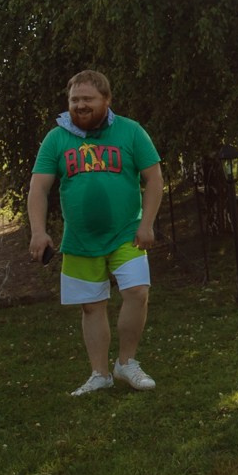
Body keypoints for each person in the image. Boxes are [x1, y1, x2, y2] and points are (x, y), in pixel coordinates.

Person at [25, 70, 163, 396]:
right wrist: (38, 232)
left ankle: (126, 363)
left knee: (138, 292)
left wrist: (147, 224)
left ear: (107, 100)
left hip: (127, 234)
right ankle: (100, 373)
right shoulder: (56, 138)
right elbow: (39, 188)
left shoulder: (130, 132)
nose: (80, 105)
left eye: (87, 99)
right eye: (74, 100)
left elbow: (154, 179)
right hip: (80, 240)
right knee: (91, 305)